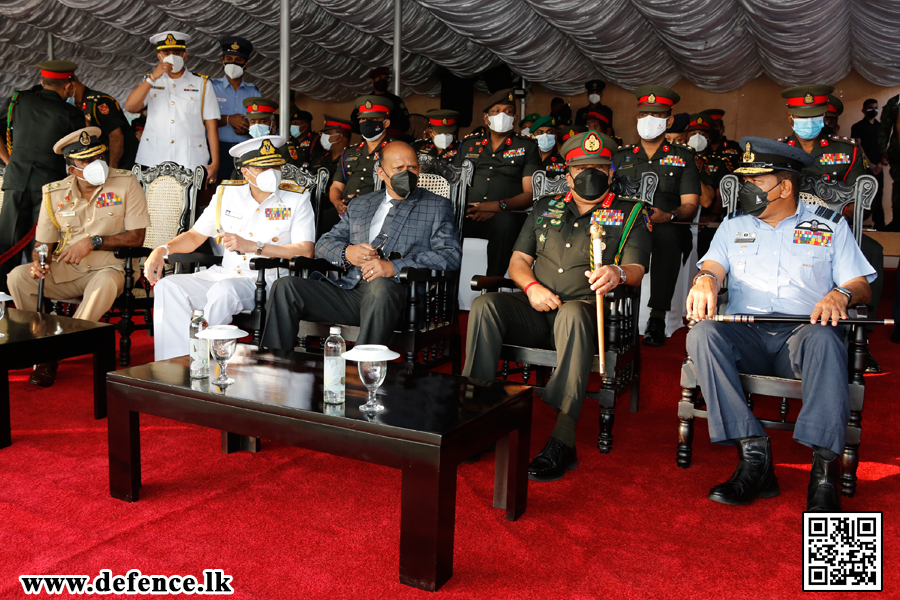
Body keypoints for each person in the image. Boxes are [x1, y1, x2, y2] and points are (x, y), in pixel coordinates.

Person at [685, 137, 876, 513]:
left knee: (824, 340)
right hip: (747, 335)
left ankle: (824, 471)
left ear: (785, 186)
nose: (746, 190)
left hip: (803, 335)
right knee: (702, 334)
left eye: (756, 182)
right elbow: (712, 267)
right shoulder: (731, 227)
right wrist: (705, 278)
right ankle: (754, 455)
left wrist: (841, 295)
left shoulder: (829, 226)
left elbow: (861, 285)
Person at [464, 131, 651, 481]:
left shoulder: (631, 213)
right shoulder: (544, 206)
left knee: (573, 313)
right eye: (581, 169)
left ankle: (562, 441)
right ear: (567, 175)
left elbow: (637, 270)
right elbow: (518, 260)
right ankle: (477, 415)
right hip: (536, 309)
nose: (590, 175)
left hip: (585, 314)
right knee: (485, 305)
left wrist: (617, 271)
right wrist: (531, 287)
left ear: (611, 173)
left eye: (598, 168)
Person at [260, 141, 461, 350]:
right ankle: (273, 363)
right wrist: (347, 253)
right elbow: (323, 244)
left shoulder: (436, 205)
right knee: (286, 287)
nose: (407, 173)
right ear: (381, 173)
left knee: (381, 286)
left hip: (399, 298)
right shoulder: (361, 204)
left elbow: (450, 255)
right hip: (351, 290)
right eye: (398, 169)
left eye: (412, 168)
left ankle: (362, 370)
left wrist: (395, 267)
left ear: (419, 170)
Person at [145, 135, 314, 361]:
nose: (271, 172)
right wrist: (161, 250)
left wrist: (255, 246)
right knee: (169, 286)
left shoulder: (297, 199)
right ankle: (175, 363)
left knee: (224, 291)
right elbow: (195, 236)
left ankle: (202, 361)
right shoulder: (227, 194)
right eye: (262, 167)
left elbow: (305, 251)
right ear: (245, 171)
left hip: (265, 279)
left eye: (275, 165)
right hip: (223, 274)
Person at [7, 127, 150, 386]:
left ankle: (53, 354)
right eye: (87, 161)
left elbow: (136, 237)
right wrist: (41, 260)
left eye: (99, 157)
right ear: (72, 169)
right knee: (18, 277)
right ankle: (43, 343)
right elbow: (43, 241)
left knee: (104, 283)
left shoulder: (125, 182)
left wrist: (93, 242)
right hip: (68, 269)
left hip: (110, 268)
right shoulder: (54, 192)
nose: (98, 164)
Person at [777, 85, 883, 373]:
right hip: (784, 230)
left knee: (871, 250)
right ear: (790, 117)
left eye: (814, 115)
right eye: (801, 115)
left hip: (833, 230)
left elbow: (863, 199)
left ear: (824, 116)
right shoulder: (778, 152)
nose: (808, 121)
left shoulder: (845, 150)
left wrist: (837, 217)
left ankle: (861, 337)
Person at [612, 85, 700, 346]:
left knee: (668, 236)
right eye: (643, 114)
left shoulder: (684, 158)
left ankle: (657, 317)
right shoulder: (621, 156)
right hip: (626, 222)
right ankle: (607, 311)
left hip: (665, 224)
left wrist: (668, 216)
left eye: (656, 115)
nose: (648, 120)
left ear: (669, 120)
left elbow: (690, 205)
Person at [0, 60, 85, 293]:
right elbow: (80, 154)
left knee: (7, 242)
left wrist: (9, 161)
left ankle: (3, 296)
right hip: (49, 187)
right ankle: (40, 296)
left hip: (15, 180)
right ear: (69, 86)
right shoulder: (71, 114)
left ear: (42, 81)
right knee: (44, 244)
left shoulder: (18, 101)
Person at [453, 89, 541, 276]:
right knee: (445, 221)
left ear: (515, 118)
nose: (503, 115)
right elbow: (454, 185)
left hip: (506, 214)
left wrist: (496, 206)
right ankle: (445, 287)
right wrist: (468, 208)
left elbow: (529, 194)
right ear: (486, 118)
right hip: (468, 214)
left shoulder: (527, 147)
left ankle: (493, 283)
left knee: (505, 223)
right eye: (496, 111)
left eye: (508, 112)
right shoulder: (469, 145)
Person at [126, 31, 221, 186]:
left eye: (177, 53)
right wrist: (153, 77)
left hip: (190, 158)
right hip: (154, 157)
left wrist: (215, 163)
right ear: (159, 56)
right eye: (167, 53)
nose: (172, 56)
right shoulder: (150, 82)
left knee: (188, 206)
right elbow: (131, 107)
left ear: (185, 55)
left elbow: (211, 126)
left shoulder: (202, 84)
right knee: (153, 206)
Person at [328, 95, 396, 235]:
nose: (366, 123)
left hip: (378, 213)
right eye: (363, 119)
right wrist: (337, 203)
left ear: (386, 123)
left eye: (373, 119)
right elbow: (336, 186)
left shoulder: (395, 150)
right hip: (346, 212)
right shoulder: (349, 152)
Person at [210, 36, 258, 184]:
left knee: (242, 189)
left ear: (246, 65)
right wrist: (229, 120)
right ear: (222, 61)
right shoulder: (211, 87)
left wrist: (249, 128)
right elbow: (200, 119)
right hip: (217, 149)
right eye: (229, 58)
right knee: (216, 191)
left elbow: (259, 121)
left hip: (244, 149)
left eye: (238, 60)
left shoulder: (253, 91)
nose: (232, 63)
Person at [685, 113, 731, 259]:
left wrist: (712, 216)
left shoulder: (719, 163)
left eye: (702, 133)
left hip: (708, 221)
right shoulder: (680, 160)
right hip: (682, 218)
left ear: (709, 138)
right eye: (693, 133)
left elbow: (721, 194)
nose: (697, 137)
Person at [73, 76, 138, 170]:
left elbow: (116, 137)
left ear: (71, 87)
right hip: (101, 163)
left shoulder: (99, 102)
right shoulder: (79, 105)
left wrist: (112, 168)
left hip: (121, 163)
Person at [850, 98, 885, 230]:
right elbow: (858, 147)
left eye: (876, 107)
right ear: (863, 110)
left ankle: (880, 225)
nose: (874, 110)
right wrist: (869, 164)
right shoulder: (858, 127)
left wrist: (880, 165)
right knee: (862, 195)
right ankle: (857, 223)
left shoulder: (880, 127)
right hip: (863, 167)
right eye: (870, 108)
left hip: (879, 167)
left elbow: (884, 146)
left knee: (878, 195)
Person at [349, 67, 410, 137]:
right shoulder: (366, 101)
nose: (383, 81)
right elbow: (355, 122)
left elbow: (405, 124)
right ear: (372, 81)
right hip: (370, 139)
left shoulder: (395, 100)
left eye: (385, 78)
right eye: (380, 78)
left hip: (391, 139)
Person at [311, 115, 352, 206]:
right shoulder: (319, 159)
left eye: (328, 133)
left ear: (339, 137)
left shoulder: (352, 160)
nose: (323, 137)